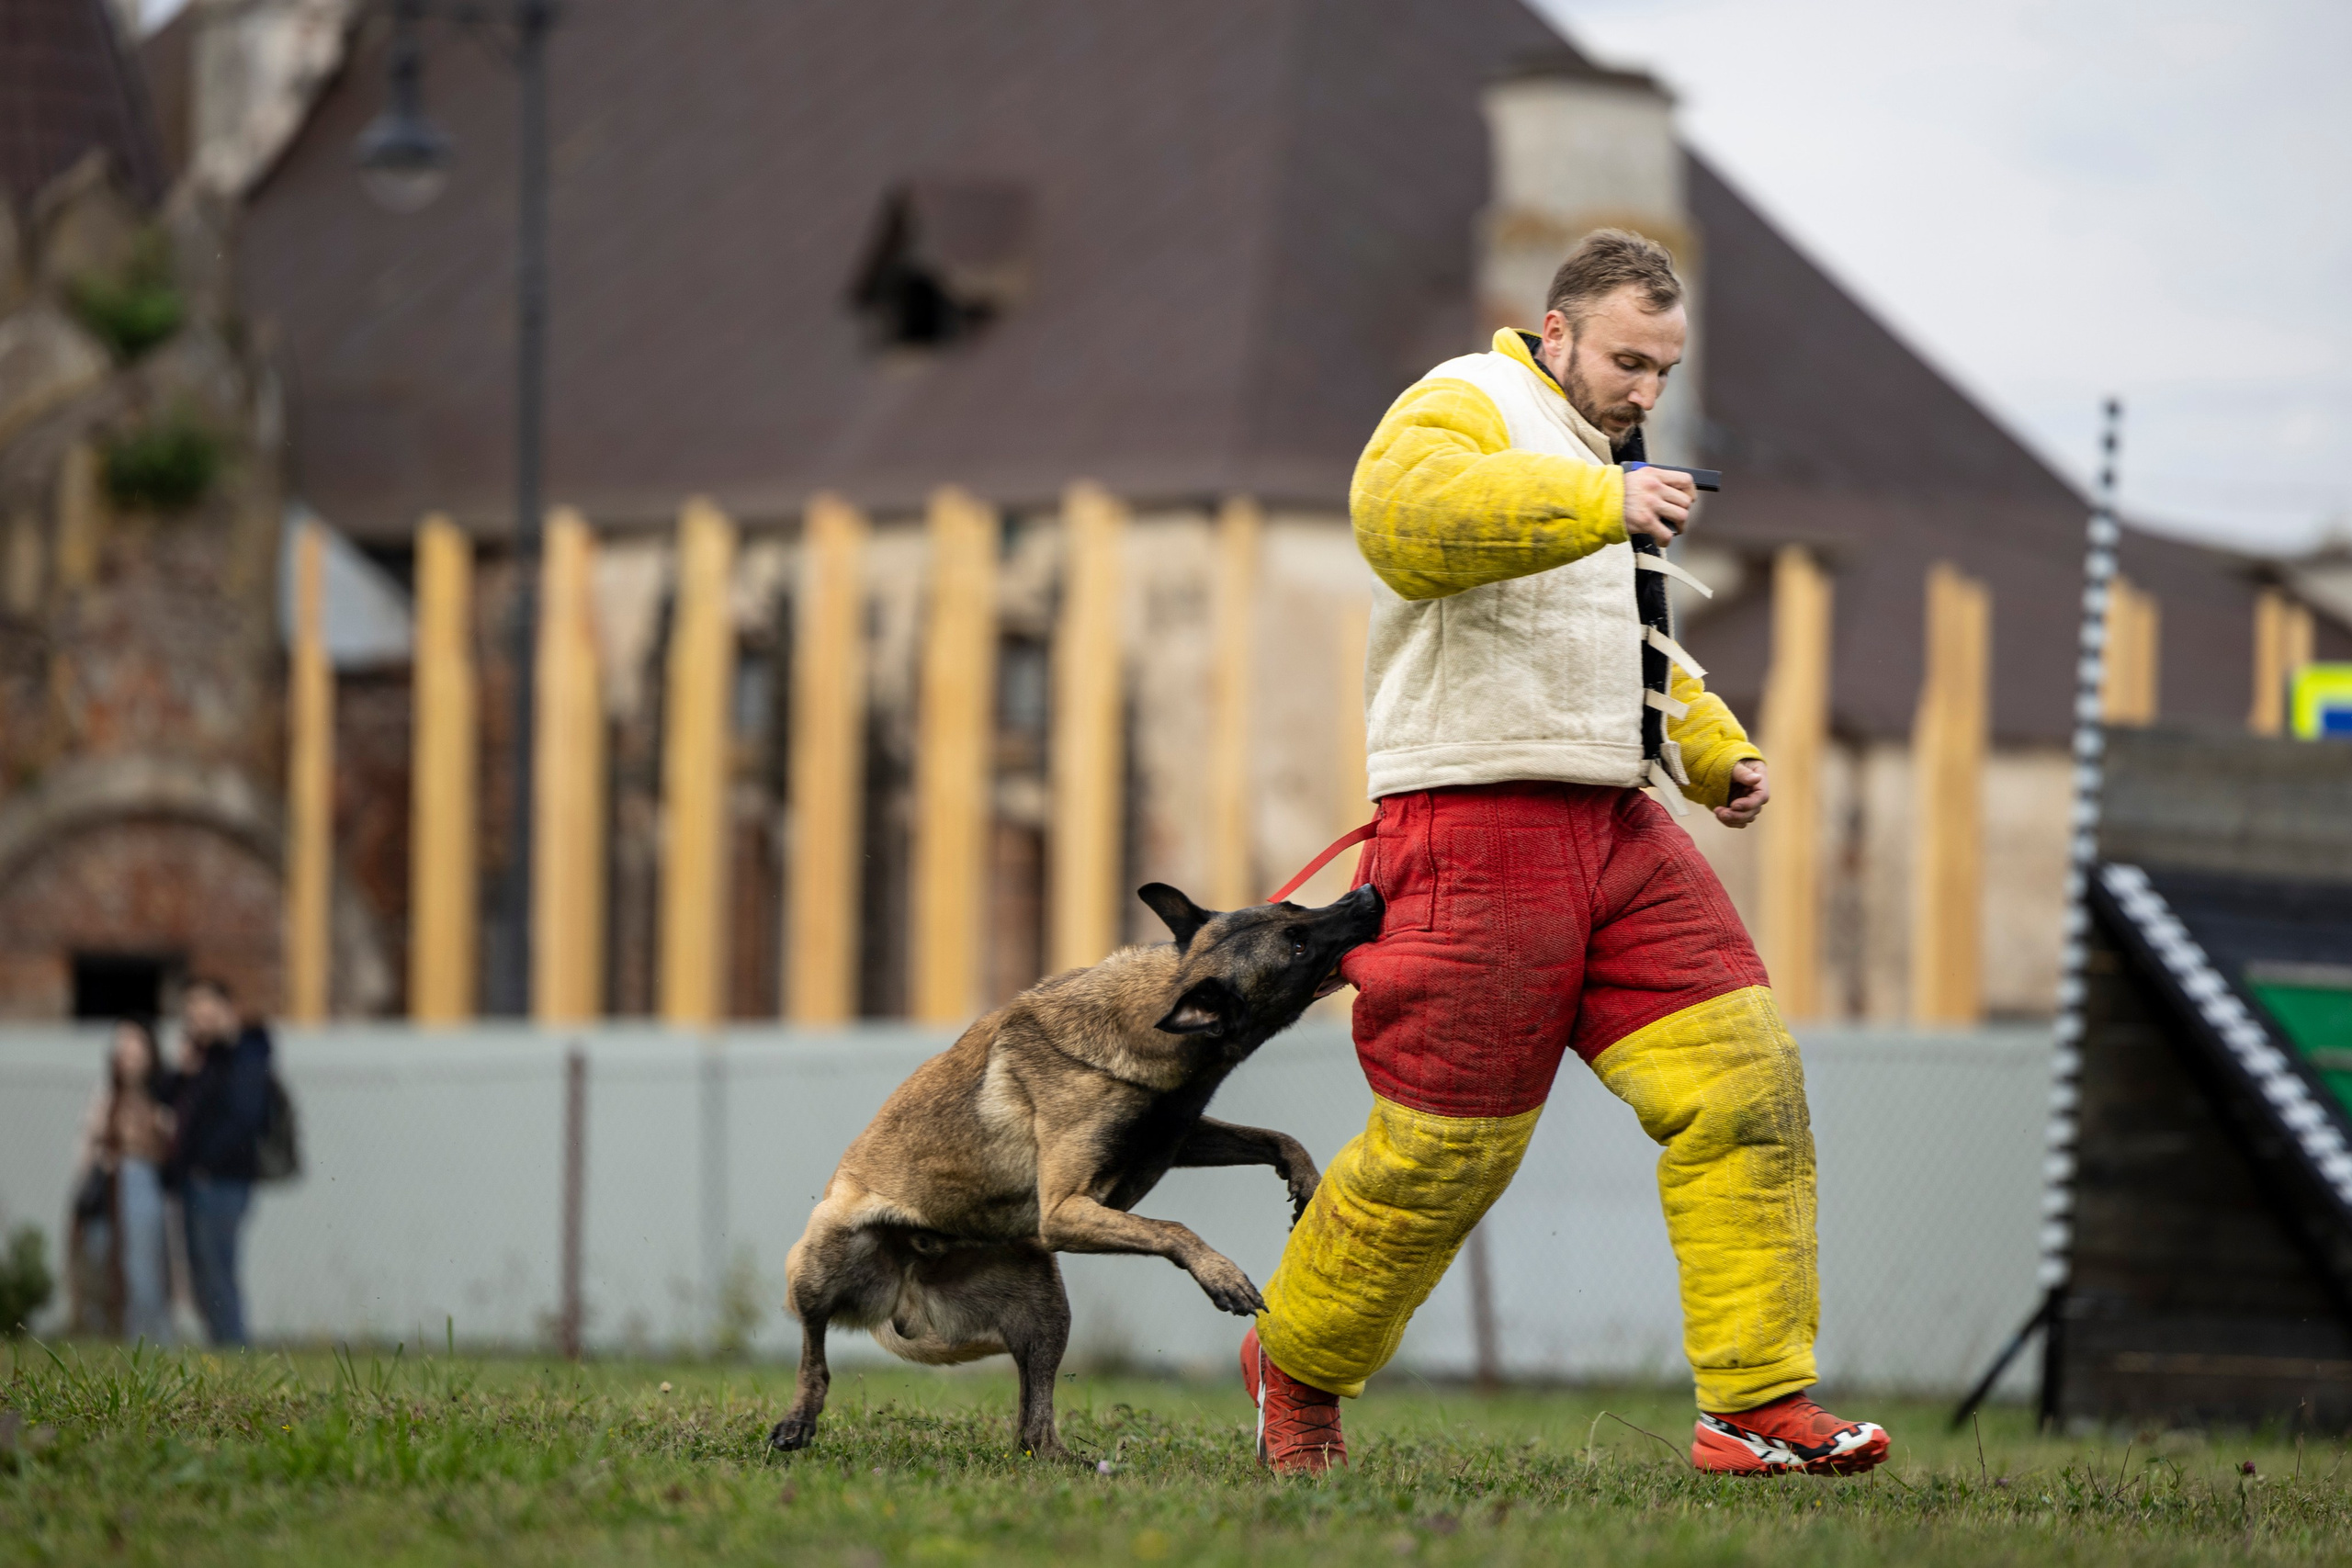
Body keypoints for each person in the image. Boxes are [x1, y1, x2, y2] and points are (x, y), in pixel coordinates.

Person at [1238, 230, 1888, 1477]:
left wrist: (1714, 752)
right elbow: (1399, 523)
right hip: (1475, 825)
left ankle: (1754, 1402)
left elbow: (1632, 641)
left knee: (1746, 1085)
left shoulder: (1611, 461)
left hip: (1620, 825)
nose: (1648, 391)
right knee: (1446, 1151)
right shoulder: (1464, 400)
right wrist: (1604, 502)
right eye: (1629, 361)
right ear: (1556, 334)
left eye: (1666, 368)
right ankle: (1299, 1361)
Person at [164, 976, 272, 1346]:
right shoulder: (200, 1060)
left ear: (226, 1010)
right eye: (192, 1013)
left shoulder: (246, 1052)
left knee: (217, 1270)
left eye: (205, 1010)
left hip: (223, 1180)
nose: (197, 1020)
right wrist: (183, 1071)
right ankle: (222, 1350)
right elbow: (168, 1102)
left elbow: (244, 1116)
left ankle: (234, 1353)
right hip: (197, 1179)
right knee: (200, 1272)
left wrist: (206, 1164)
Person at [68, 1020, 176, 1342]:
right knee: (99, 1265)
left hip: (143, 1185)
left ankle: (151, 1343)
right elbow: (87, 1145)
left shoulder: (164, 1094)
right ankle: (108, 1341)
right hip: (105, 1191)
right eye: (121, 1046)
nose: (126, 1053)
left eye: (134, 1045)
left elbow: (170, 1144)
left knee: (143, 1271)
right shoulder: (105, 1095)